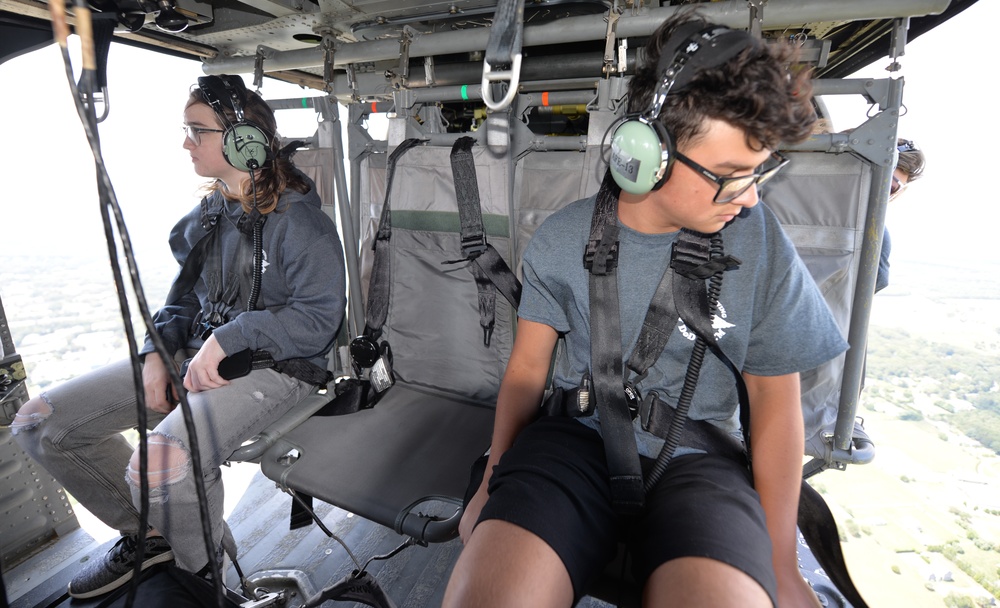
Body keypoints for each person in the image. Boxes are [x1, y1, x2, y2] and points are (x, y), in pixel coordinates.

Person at [444, 12, 848, 608]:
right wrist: (492, 476)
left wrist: (781, 561)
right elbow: (528, 371)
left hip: (700, 461)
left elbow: (773, 400)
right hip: (571, 445)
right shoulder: (561, 239)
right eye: (731, 176)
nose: (751, 197)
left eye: (759, 172)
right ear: (646, 153)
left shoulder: (759, 241)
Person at [11, 74, 346, 599]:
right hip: (196, 354)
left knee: (161, 463)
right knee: (39, 423)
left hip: (280, 367)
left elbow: (319, 319)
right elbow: (181, 300)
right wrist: (156, 354)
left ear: (242, 140)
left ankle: (202, 577)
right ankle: (147, 536)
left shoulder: (301, 224)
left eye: (196, 130)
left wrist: (232, 336)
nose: (184, 143)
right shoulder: (205, 219)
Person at [876, 138, 926, 292]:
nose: (885, 196)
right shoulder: (876, 233)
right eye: (890, 186)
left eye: (891, 191)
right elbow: (879, 281)